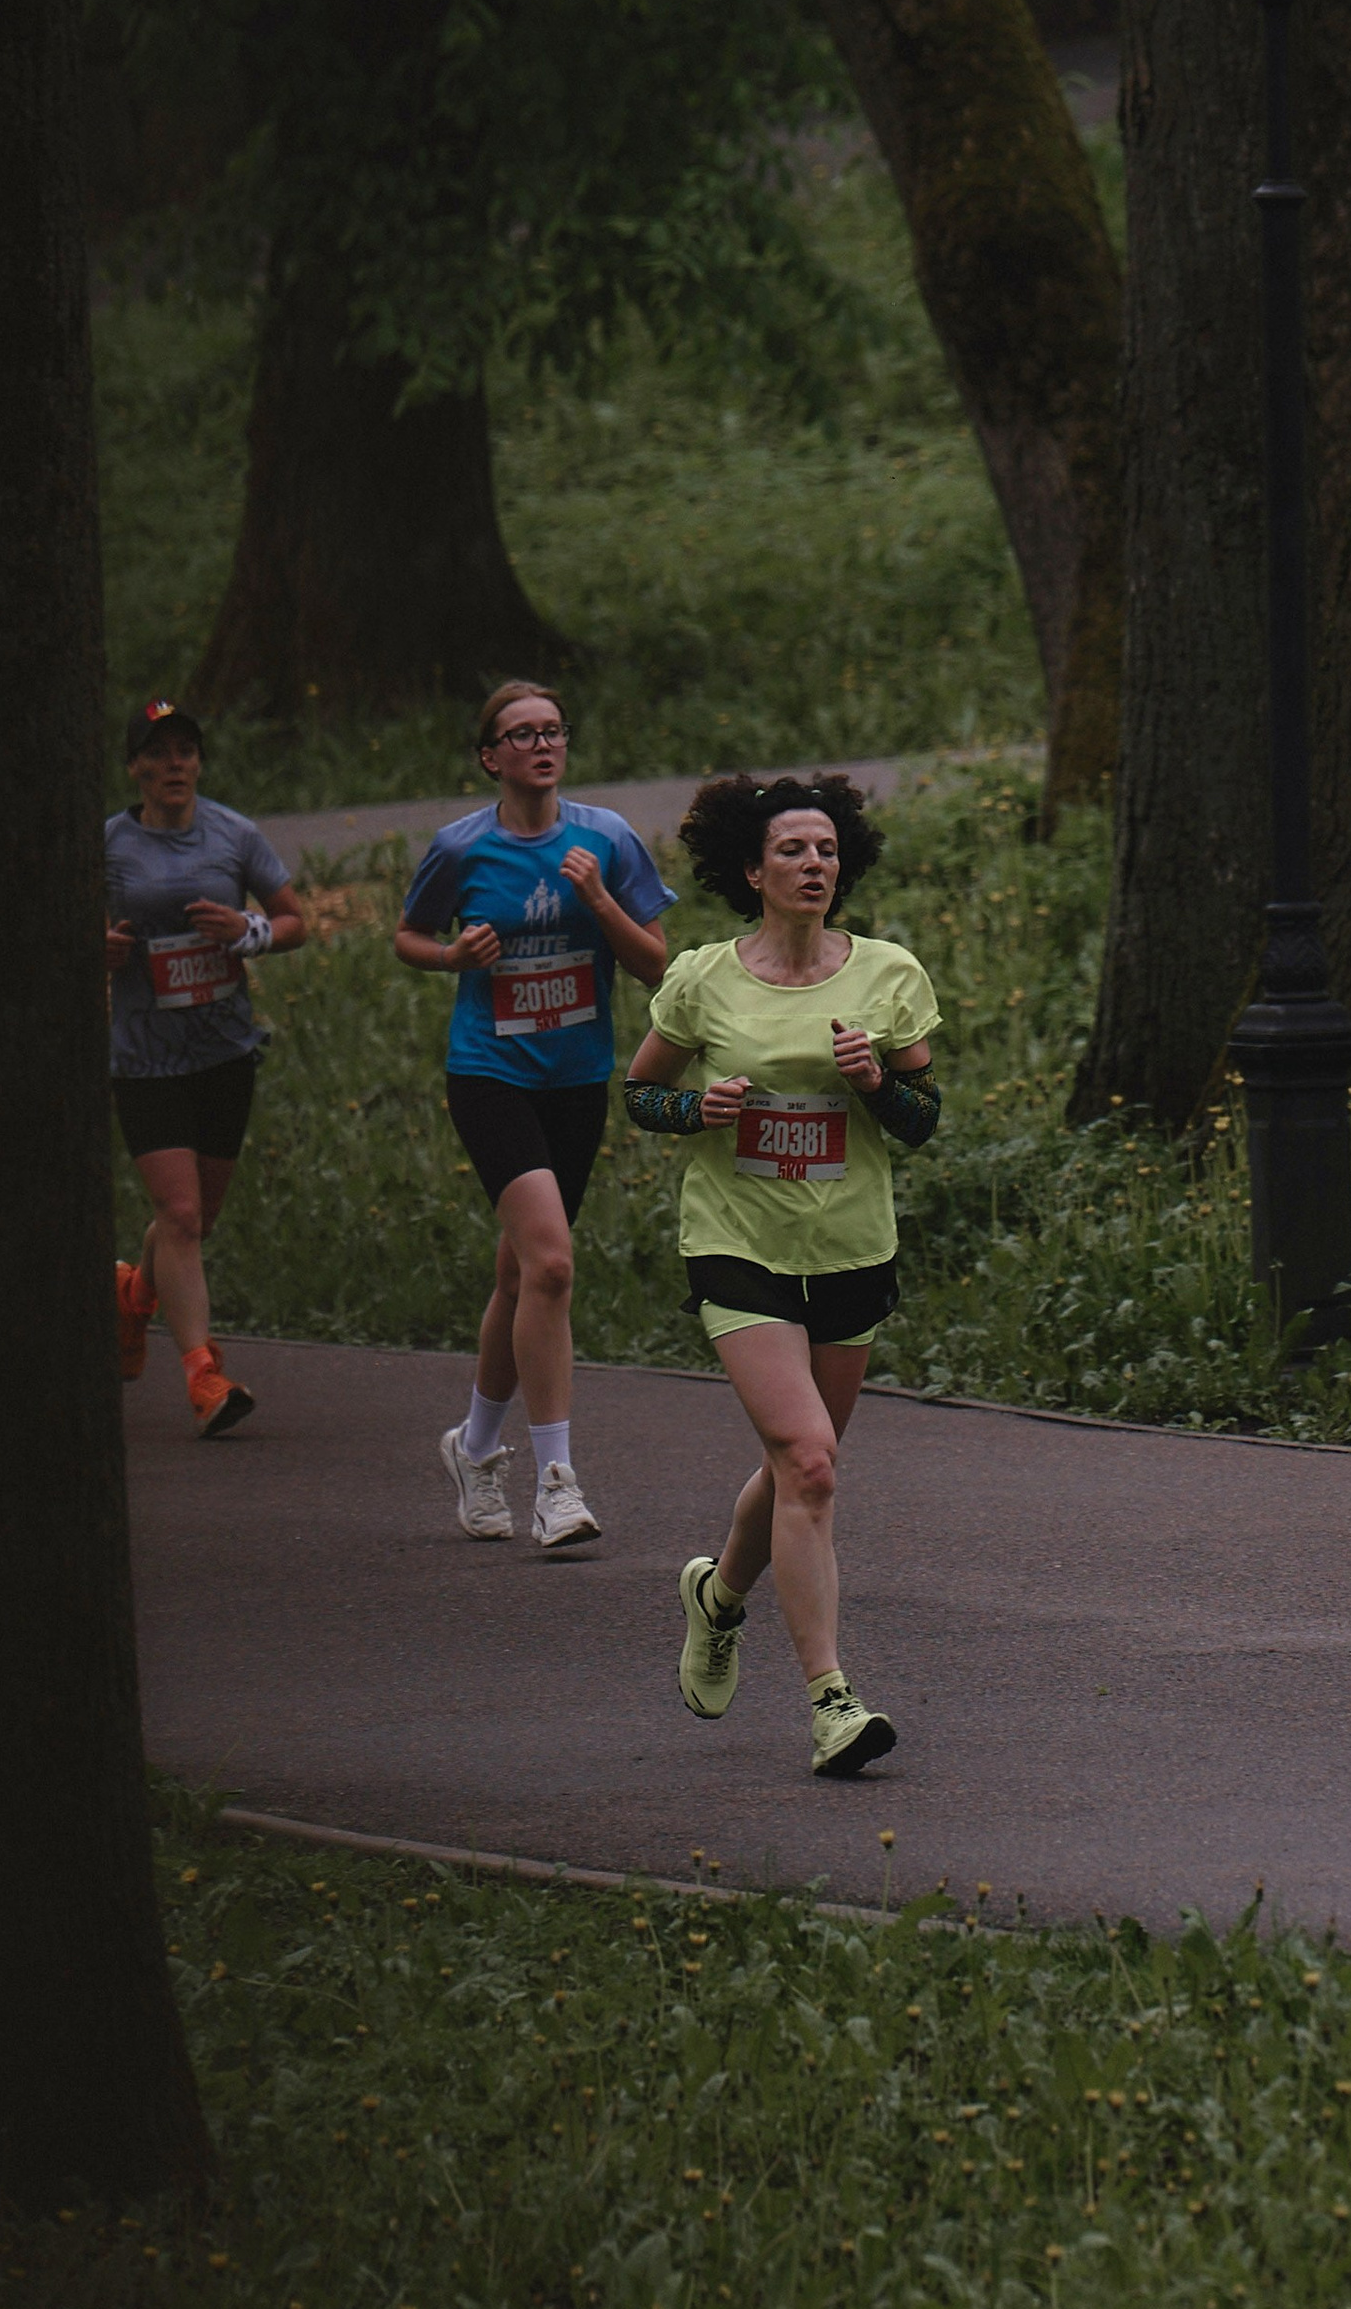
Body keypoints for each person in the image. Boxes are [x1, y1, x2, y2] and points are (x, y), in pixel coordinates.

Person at [624, 771, 942, 1777]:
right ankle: (830, 1699)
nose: (815, 864)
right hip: (737, 1243)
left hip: (849, 1246)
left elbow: (924, 1122)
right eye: (794, 852)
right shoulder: (702, 977)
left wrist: (873, 1083)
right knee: (808, 1462)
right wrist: (694, 1112)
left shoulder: (887, 972)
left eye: (826, 850)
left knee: (795, 1467)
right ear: (753, 871)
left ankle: (718, 1596)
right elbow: (639, 1095)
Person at [394, 682, 672, 1549]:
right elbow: (409, 934)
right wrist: (452, 955)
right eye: (522, 734)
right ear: (492, 757)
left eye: (553, 730)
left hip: (576, 1077)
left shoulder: (606, 839)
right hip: (491, 1074)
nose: (541, 745)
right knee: (551, 1265)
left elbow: (657, 964)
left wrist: (598, 901)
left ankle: (474, 1450)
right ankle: (558, 1481)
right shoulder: (461, 847)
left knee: (520, 1277)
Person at [105, 697, 303, 1436]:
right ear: (135, 768)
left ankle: (131, 1295)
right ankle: (203, 1376)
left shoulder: (233, 834)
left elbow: (294, 919)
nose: (174, 765)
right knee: (180, 1214)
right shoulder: (110, 846)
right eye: (157, 753)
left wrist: (248, 932)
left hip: (224, 1051)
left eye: (185, 750)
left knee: (199, 1217)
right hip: (145, 1057)